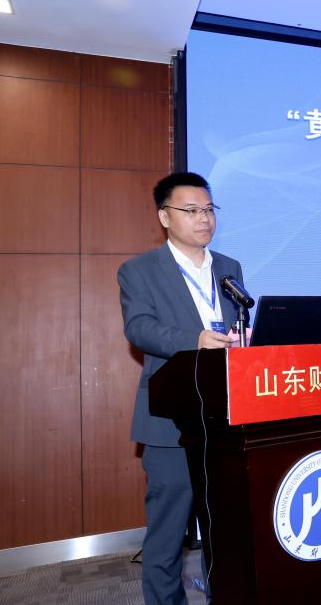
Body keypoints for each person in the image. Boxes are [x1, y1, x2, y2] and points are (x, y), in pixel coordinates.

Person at [118, 172, 244, 604]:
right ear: (164, 217)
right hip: (171, 420)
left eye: (209, 209)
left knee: (225, 531)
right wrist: (195, 340)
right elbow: (139, 328)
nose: (204, 218)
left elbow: (235, 323)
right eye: (191, 210)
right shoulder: (139, 271)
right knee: (167, 536)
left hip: (226, 421)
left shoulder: (228, 268)